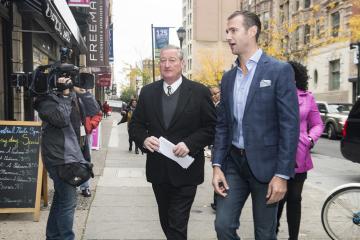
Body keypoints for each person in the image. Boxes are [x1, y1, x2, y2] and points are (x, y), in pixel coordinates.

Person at [211, 10, 300, 240]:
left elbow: (290, 126)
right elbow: (223, 125)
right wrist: (217, 165)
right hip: (234, 164)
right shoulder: (228, 77)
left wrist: (282, 174)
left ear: (252, 31)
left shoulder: (279, 70)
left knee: (264, 234)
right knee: (223, 226)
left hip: (268, 168)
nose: (228, 36)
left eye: (233, 30)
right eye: (227, 31)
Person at [129, 44, 216, 240]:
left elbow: (212, 127)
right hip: (159, 171)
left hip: (186, 172)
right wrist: (143, 139)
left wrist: (190, 144)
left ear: (182, 63)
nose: (167, 65)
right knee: (166, 221)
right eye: (163, 61)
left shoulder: (199, 92)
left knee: (177, 223)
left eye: (172, 60)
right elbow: (135, 125)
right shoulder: (148, 92)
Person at [34, 77, 100, 240]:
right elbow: (61, 119)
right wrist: (65, 96)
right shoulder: (45, 101)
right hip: (60, 159)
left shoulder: (73, 96)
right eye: (64, 78)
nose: (68, 82)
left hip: (74, 155)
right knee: (68, 202)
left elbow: (94, 110)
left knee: (61, 199)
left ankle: (53, 235)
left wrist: (83, 93)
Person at [276, 61, 324, 239]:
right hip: (277, 154)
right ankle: (272, 231)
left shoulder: (307, 97)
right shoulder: (275, 94)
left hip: (300, 154)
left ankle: (293, 237)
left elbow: (318, 124)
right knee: (276, 198)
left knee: (295, 199)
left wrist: (309, 139)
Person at [80, 104, 102, 197]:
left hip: (85, 133)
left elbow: (98, 113)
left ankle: (85, 186)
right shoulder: (66, 94)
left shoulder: (86, 97)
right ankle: (71, 186)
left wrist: (90, 125)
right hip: (69, 133)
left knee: (86, 160)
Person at [209, 86, 221, 211]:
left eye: (217, 93)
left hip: (221, 145)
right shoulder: (213, 107)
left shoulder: (222, 106)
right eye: (212, 94)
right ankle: (217, 202)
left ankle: (218, 202)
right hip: (216, 145)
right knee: (218, 173)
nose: (215, 95)